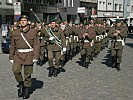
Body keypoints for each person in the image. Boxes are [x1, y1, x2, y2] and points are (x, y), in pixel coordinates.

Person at [9, 15, 40, 99]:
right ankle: (21, 83)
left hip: (29, 54)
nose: (22, 21)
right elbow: (12, 45)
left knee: (27, 73)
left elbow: (36, 45)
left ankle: (26, 89)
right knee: (15, 70)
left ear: (28, 22)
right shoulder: (15, 32)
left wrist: (35, 56)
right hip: (18, 55)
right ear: (19, 22)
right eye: (21, 20)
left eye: (24, 20)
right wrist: (11, 56)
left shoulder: (33, 32)